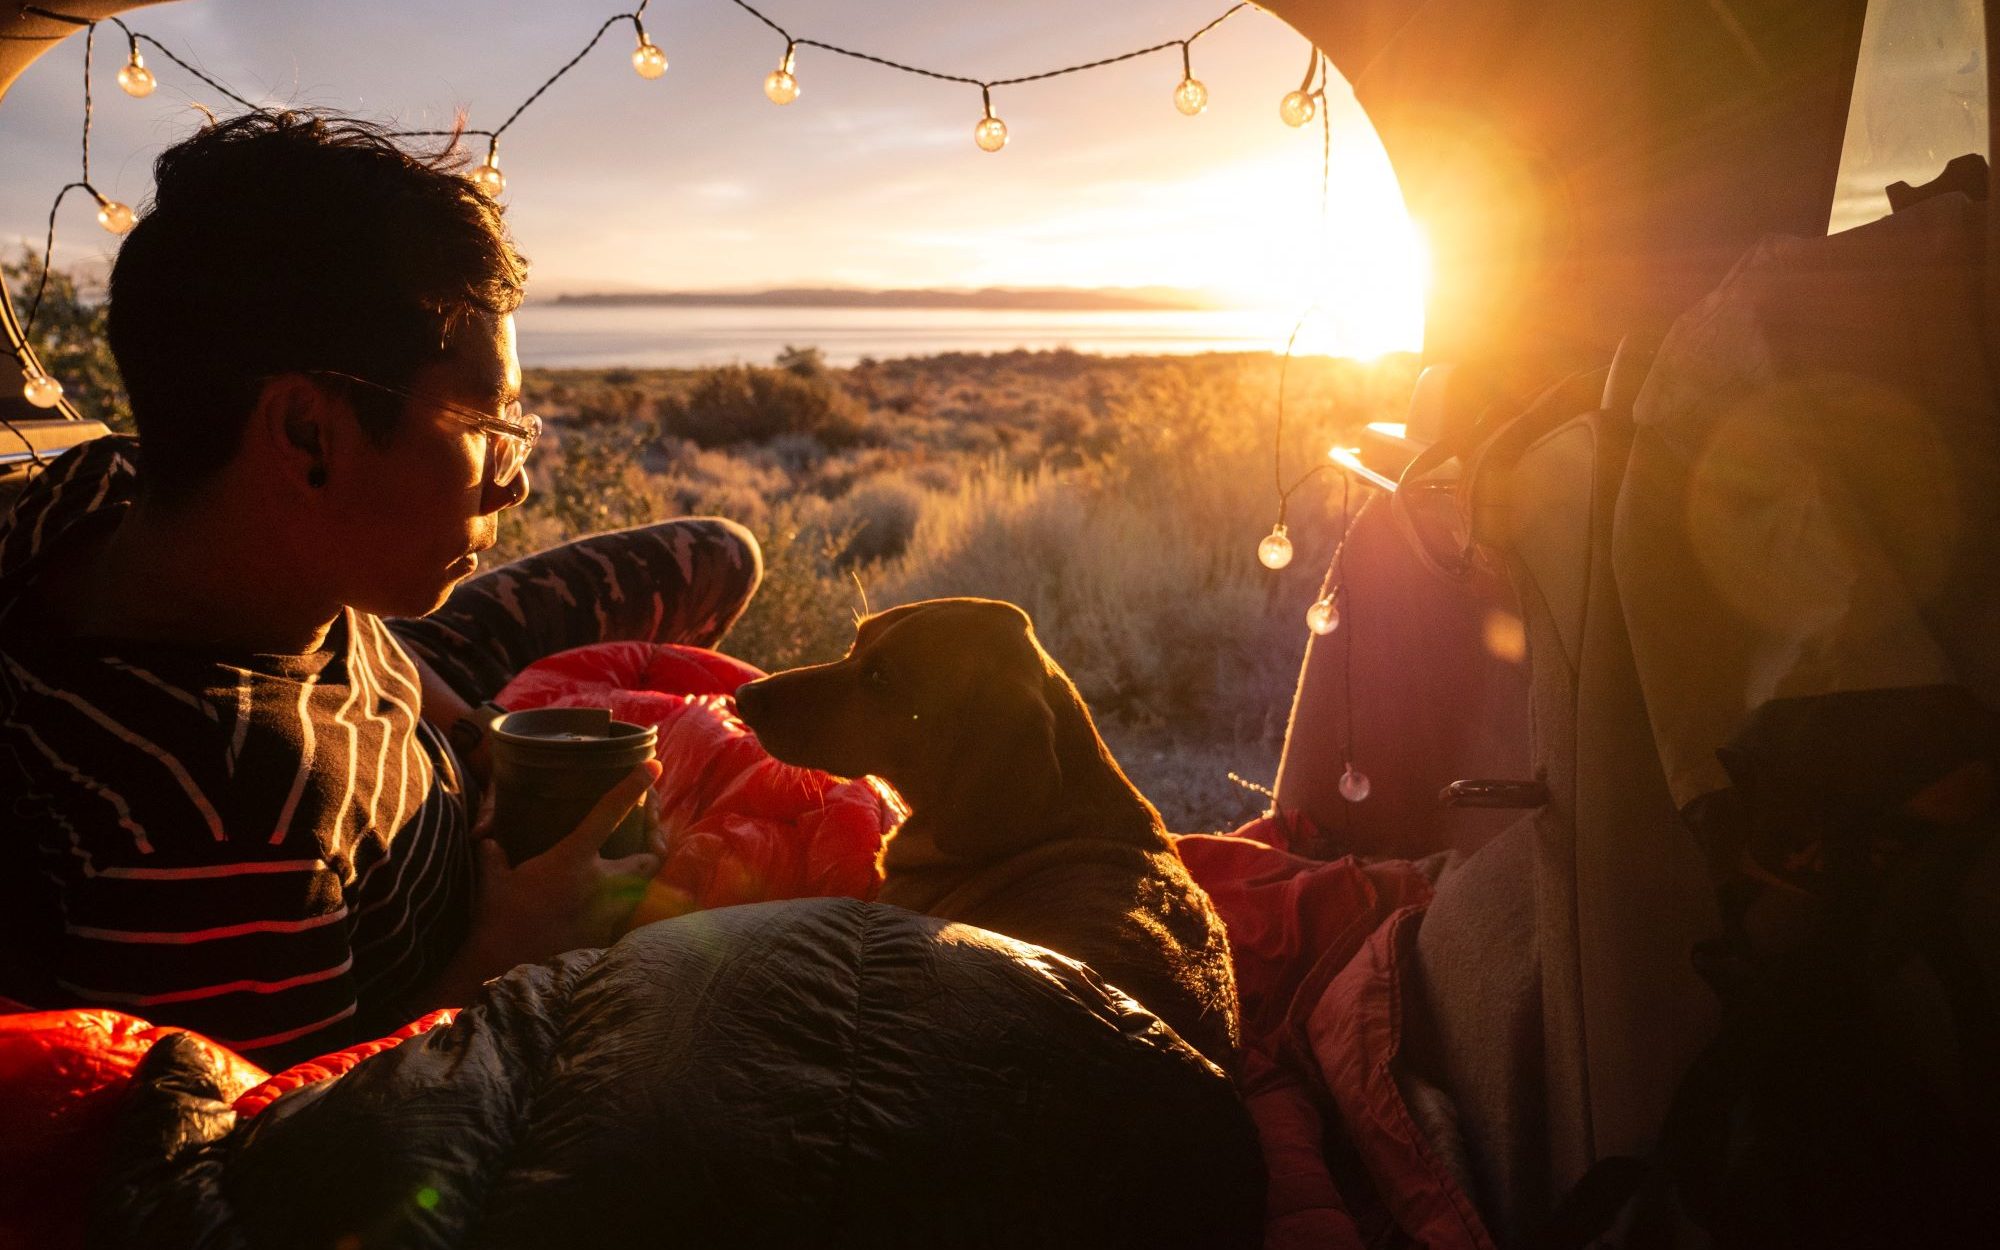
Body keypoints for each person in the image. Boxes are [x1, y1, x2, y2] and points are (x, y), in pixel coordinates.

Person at [0, 111, 762, 1068]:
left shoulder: (109, 490)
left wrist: (471, 732)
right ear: (309, 434)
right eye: (485, 421)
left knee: (717, 551)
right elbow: (301, 1145)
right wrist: (512, 953)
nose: (512, 480)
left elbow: (319, 599)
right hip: (451, 968)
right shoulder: (220, 836)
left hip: (421, 698)